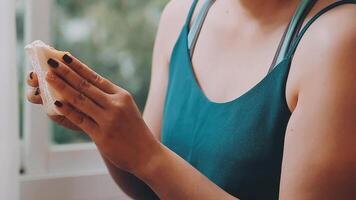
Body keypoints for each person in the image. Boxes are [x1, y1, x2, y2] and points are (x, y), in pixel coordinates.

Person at [26, 0, 356, 199]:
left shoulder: (337, 40)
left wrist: (148, 155)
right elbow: (148, 188)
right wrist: (97, 124)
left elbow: (152, 162)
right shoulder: (182, 17)